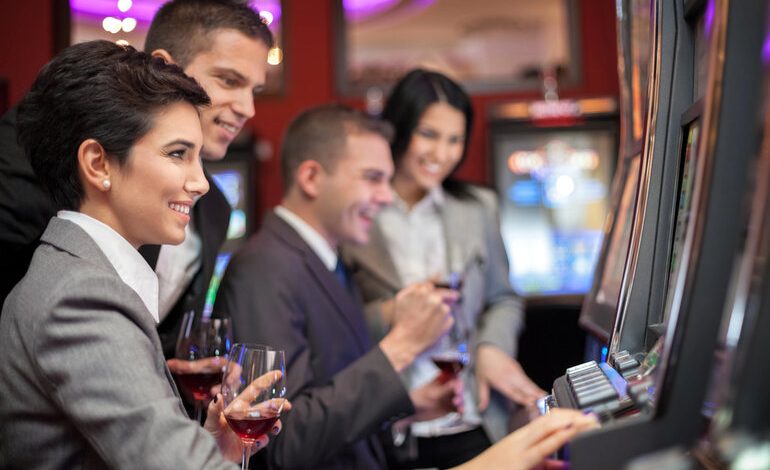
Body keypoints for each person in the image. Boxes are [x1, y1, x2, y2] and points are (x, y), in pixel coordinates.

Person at [214, 104, 599, 470]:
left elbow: (330, 399)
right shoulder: (264, 268)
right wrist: (405, 343)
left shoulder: (325, 261)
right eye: (372, 178)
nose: (385, 197)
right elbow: (286, 442)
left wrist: (408, 408)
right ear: (311, 177)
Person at [0, 40, 286, 469]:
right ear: (97, 164)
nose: (201, 183)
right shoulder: (80, 299)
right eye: (177, 154)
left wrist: (209, 444)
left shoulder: (81, 277)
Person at [0, 0, 273, 363]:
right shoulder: (38, 154)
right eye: (229, 80)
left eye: (253, 90)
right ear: (166, 66)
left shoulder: (216, 209)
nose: (247, 109)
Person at [342, 68, 546, 468]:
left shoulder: (478, 208)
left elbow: (503, 298)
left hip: (475, 419)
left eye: (455, 140)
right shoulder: (357, 215)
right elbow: (337, 325)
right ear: (399, 129)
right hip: (392, 426)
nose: (442, 154)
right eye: (429, 135)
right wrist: (396, 312)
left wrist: (491, 348)